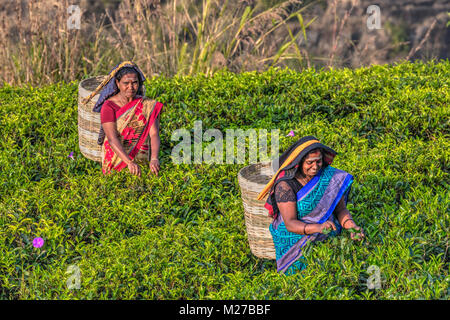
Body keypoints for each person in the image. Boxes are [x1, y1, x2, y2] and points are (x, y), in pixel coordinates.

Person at [257, 135, 364, 275]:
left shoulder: (328, 177)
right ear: (299, 162)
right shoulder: (285, 185)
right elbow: (290, 223)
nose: (315, 167)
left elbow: (341, 210)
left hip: (325, 230)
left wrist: (352, 227)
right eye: (309, 163)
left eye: (318, 161)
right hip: (294, 233)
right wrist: (317, 227)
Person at [82, 61, 163, 176]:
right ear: (117, 83)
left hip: (143, 157)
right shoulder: (109, 106)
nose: (131, 87)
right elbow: (112, 138)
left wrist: (154, 158)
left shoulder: (147, 105)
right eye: (126, 83)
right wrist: (129, 162)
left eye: (135, 83)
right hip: (117, 159)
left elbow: (154, 134)